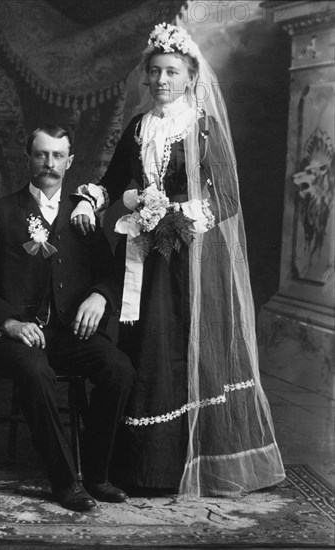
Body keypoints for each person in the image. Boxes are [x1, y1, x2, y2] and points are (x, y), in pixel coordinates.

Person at [70, 23, 286, 497]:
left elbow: (226, 198)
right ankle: (138, 469)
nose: (161, 80)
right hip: (141, 265)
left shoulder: (202, 127)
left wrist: (179, 215)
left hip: (189, 265)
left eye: (171, 71)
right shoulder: (139, 127)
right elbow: (112, 180)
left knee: (178, 353)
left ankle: (184, 466)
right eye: (154, 72)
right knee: (143, 354)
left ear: (190, 76)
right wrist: (91, 199)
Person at [0, 124, 135, 511]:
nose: (49, 163)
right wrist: (11, 323)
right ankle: (64, 482)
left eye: (58, 156)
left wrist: (99, 296)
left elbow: (109, 273)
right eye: (41, 154)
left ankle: (96, 475)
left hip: (69, 334)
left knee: (119, 368)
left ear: (70, 162)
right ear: (28, 159)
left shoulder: (82, 213)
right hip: (14, 337)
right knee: (36, 371)